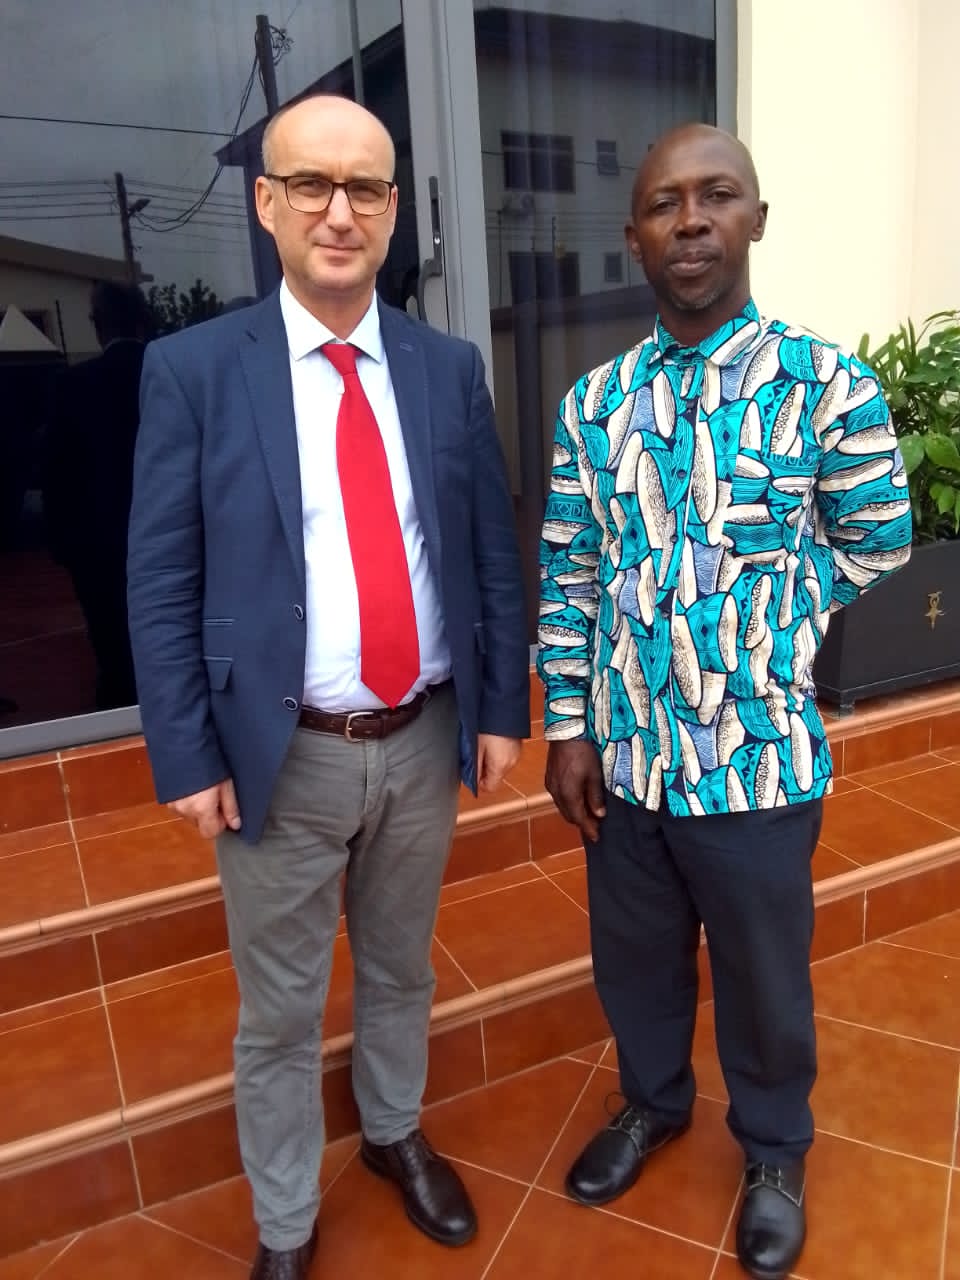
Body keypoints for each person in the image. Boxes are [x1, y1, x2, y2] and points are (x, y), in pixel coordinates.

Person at [127, 94, 529, 1280]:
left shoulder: (447, 367)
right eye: (312, 184)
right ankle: (287, 1223)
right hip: (279, 752)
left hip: (425, 732)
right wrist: (187, 754)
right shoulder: (195, 370)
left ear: (396, 210)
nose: (340, 211)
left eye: (366, 189)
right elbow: (159, 579)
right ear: (267, 203)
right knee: (281, 1010)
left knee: (402, 963)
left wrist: (502, 706)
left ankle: (393, 1132)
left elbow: (485, 551)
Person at [537, 123, 912, 1280]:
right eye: (665, 203)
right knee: (635, 960)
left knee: (761, 971)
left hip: (755, 759)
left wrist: (774, 614)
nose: (690, 220)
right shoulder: (595, 406)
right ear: (634, 234)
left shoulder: (827, 382)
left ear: (756, 218)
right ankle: (653, 1102)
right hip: (630, 758)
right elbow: (571, 570)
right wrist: (567, 723)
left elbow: (881, 540)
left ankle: (776, 1150)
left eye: (716, 197)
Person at [43, 280, 151, 709]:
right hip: (177, 542)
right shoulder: (171, 374)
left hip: (99, 549)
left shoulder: (73, 385)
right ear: (143, 322)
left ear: (97, 326)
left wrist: (66, 546)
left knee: (114, 654)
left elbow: (56, 472)